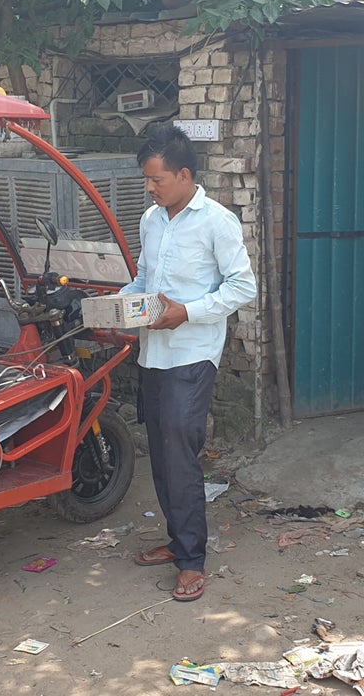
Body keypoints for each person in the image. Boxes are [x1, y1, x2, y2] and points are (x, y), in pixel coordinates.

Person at [121, 125, 256, 601]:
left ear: (184, 174)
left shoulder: (217, 221)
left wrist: (186, 313)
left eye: (156, 179)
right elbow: (143, 275)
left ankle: (193, 559)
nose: (150, 188)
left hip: (193, 354)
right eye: (147, 179)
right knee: (160, 451)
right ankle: (179, 541)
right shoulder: (151, 220)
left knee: (180, 452)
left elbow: (243, 288)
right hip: (153, 353)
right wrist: (119, 305)